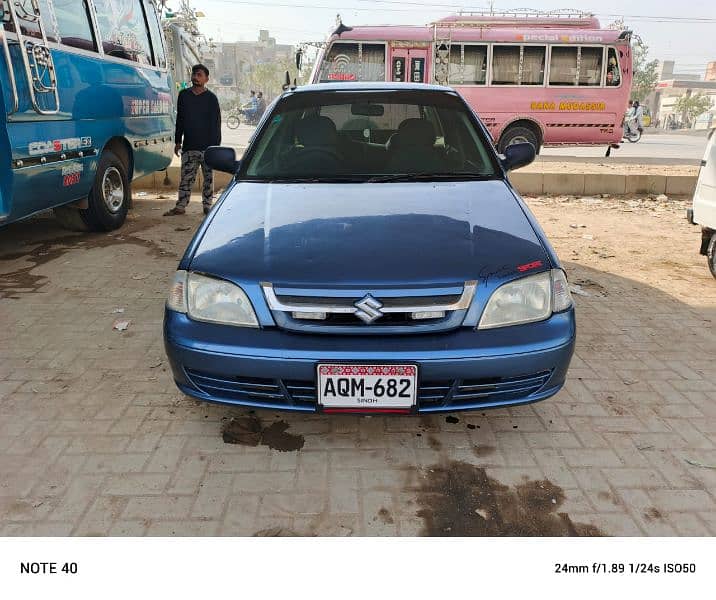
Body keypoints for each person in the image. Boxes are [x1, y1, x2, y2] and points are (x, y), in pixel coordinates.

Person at [164, 64, 221, 217]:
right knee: (186, 178)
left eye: (200, 75)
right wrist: (177, 141)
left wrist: (216, 148)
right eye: (194, 74)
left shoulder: (211, 99)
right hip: (189, 146)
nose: (196, 77)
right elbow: (180, 119)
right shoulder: (184, 95)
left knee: (208, 179)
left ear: (206, 79)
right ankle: (181, 206)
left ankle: (207, 206)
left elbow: (216, 124)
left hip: (208, 148)